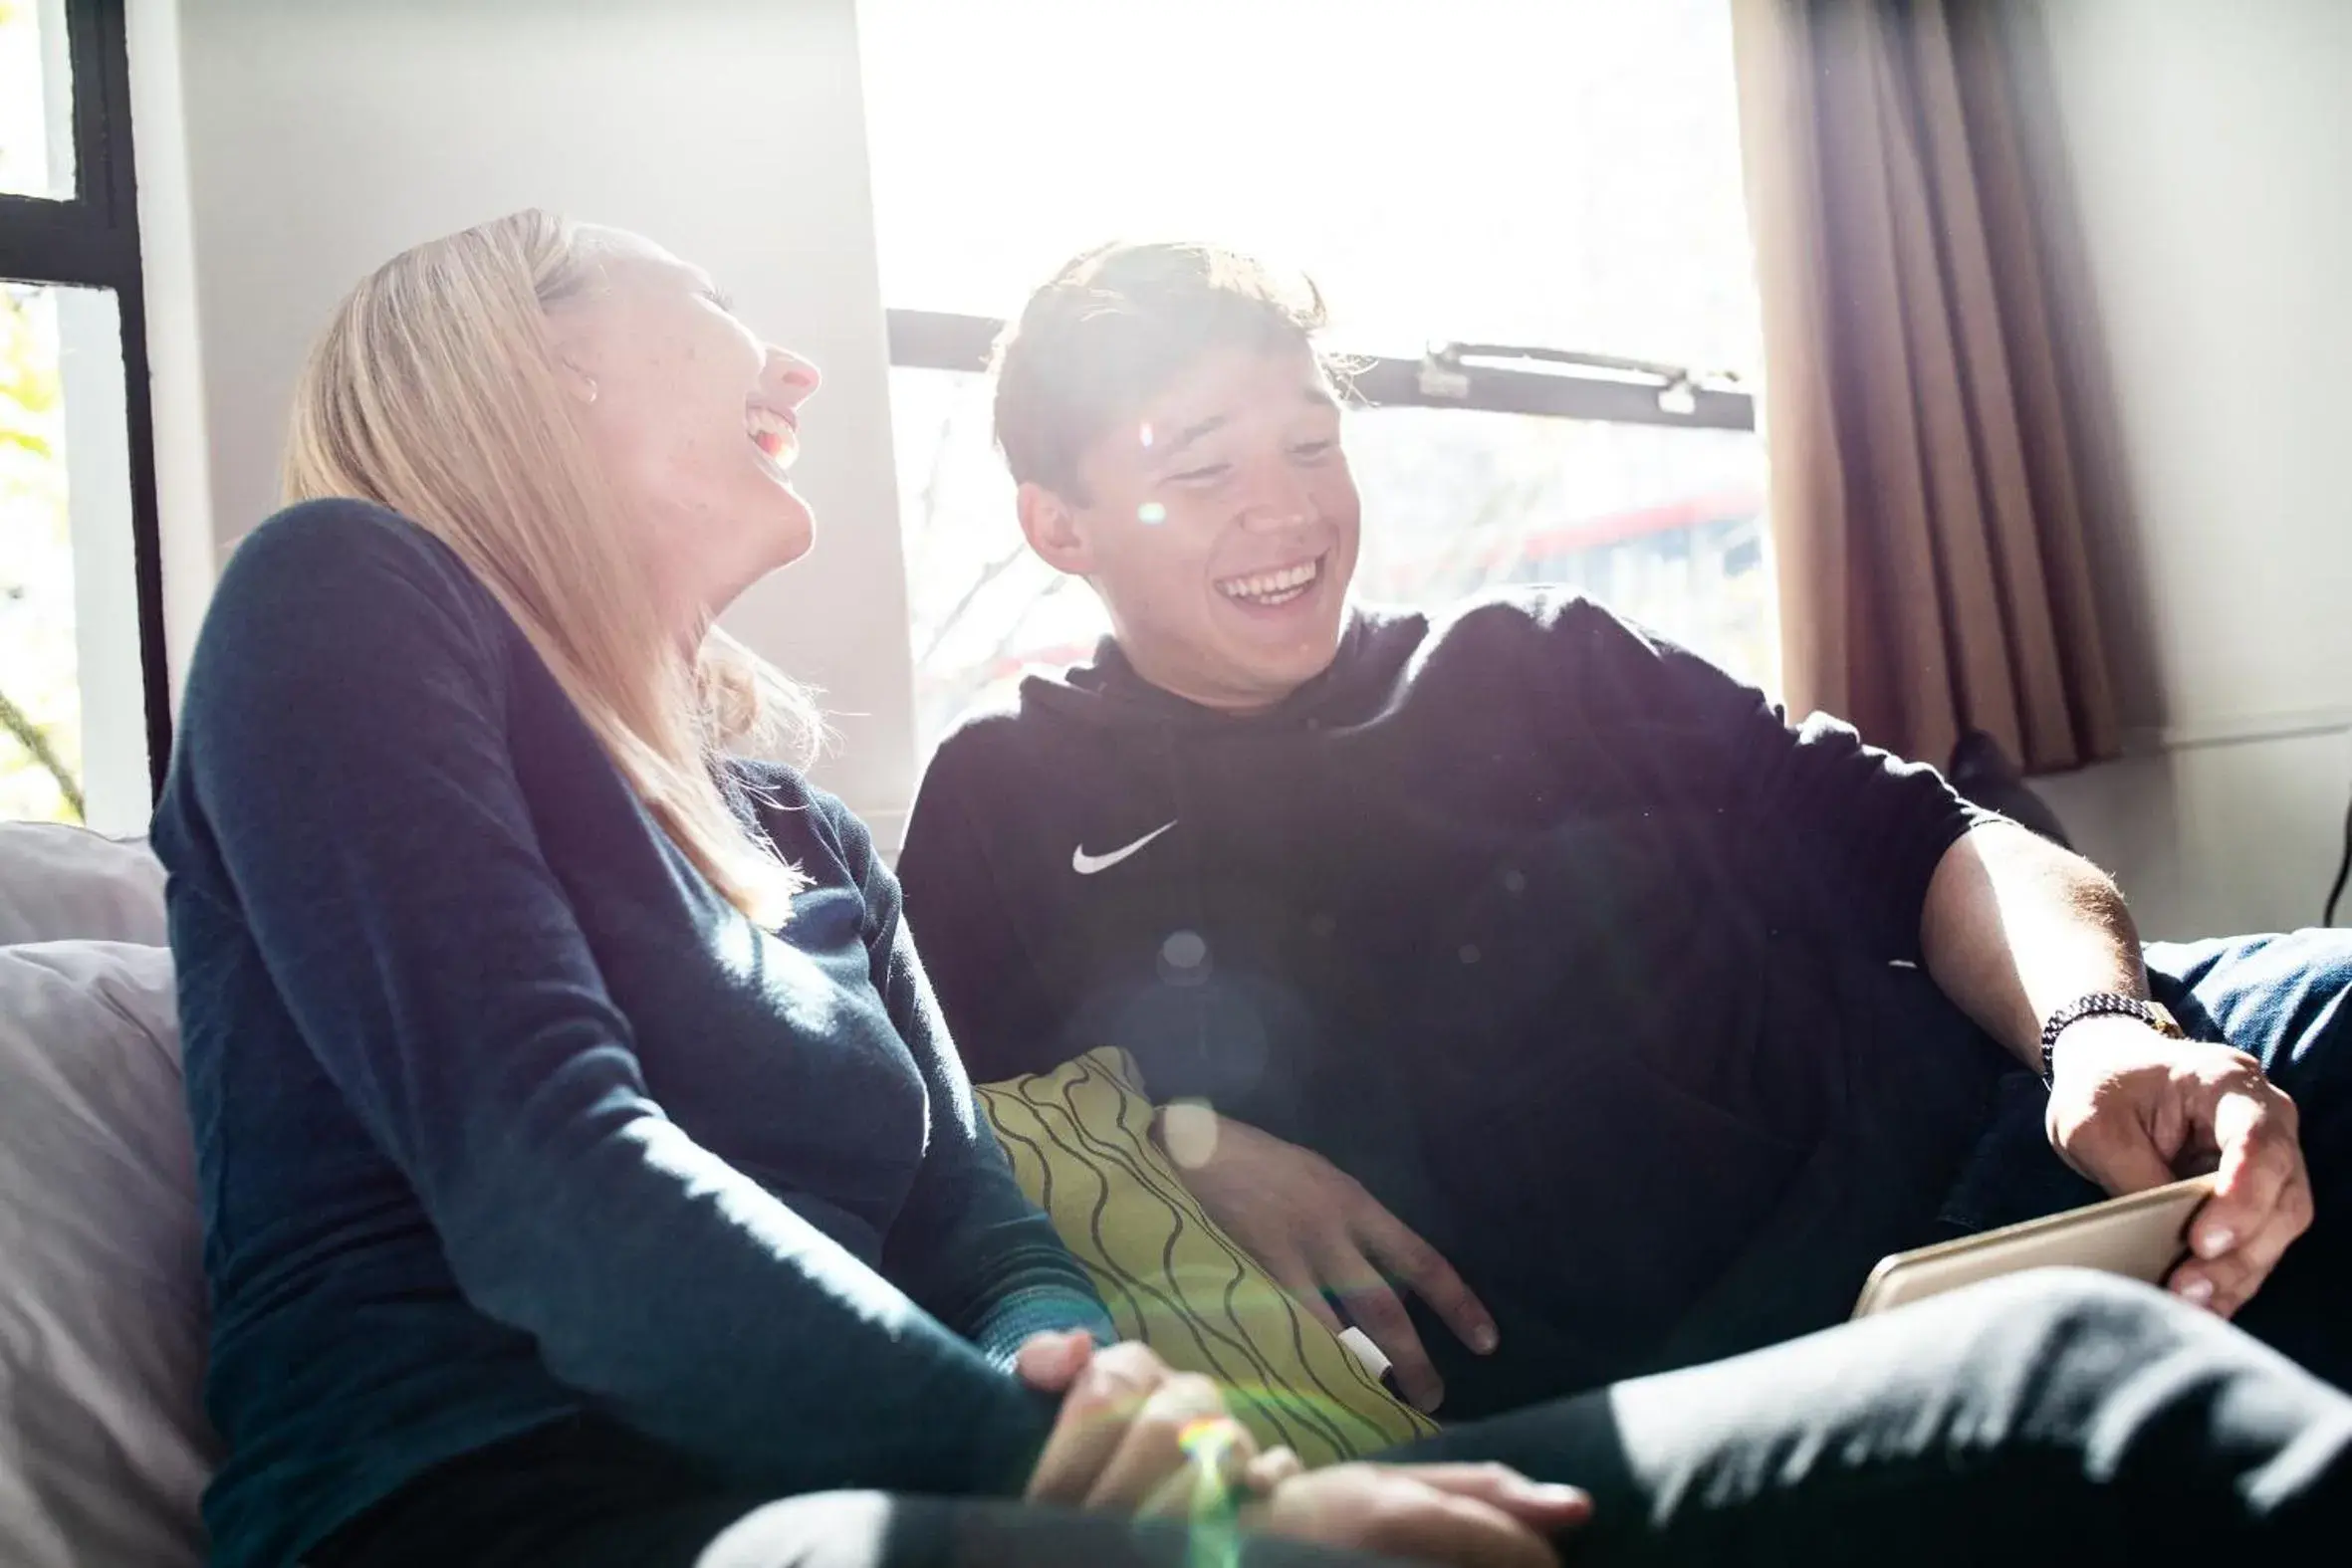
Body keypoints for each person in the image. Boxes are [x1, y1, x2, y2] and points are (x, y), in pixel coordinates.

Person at [153, 212, 2351, 1568]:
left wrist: (1129, 1431)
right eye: (719, 307)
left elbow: (983, 1233)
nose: (796, 365)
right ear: (523, 360)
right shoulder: (345, 597)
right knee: (2064, 1386)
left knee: (2095, 1318)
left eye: (1305, 439)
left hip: (976, 1489)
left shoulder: (807, 837)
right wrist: (1184, 1486)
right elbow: (561, 1185)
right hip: (534, 1517)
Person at [895, 240, 2352, 1420]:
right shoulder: (1006, 799)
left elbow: (1940, 839)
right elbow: (936, 1148)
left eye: (1310, 442)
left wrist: (2102, 1027)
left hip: (2021, 1116)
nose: (1288, 512)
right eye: (1202, 470)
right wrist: (1176, 1136)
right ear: (1059, 525)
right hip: (1765, 1354)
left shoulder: (1539, 655)